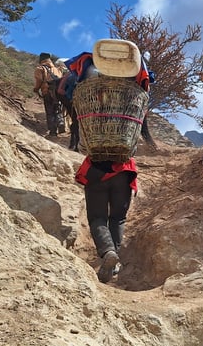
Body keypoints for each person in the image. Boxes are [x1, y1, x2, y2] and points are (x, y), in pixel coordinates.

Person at [74, 61, 152, 283]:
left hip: (96, 169)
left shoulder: (91, 107)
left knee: (97, 217)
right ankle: (114, 262)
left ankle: (107, 251)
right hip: (124, 170)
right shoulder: (131, 105)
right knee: (117, 218)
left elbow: (82, 146)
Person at [32, 52, 65, 136]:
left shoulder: (40, 69)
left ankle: (53, 131)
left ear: (41, 60)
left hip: (47, 91)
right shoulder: (58, 70)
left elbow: (39, 81)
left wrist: (36, 89)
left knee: (50, 111)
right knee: (58, 109)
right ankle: (61, 123)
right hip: (58, 93)